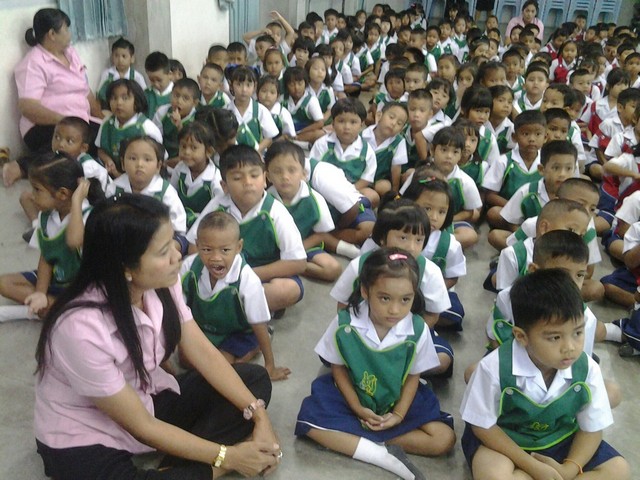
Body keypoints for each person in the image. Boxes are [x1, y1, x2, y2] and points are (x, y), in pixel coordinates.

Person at [33, 193, 282, 479]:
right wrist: (230, 457)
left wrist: (259, 416)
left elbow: (203, 353)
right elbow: (143, 427)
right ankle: (198, 469)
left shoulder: (163, 281)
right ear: (126, 268)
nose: (178, 255)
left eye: (173, 242)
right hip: (86, 434)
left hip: (144, 399)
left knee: (254, 381)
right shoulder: (79, 328)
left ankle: (183, 469)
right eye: (163, 252)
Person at [296, 248, 455, 480]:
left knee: (443, 439)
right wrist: (357, 408)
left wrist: (398, 415)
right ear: (365, 291)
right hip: (352, 395)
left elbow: (413, 376)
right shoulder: (345, 324)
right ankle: (380, 455)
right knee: (308, 423)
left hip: (396, 398)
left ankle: (358, 438)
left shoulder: (418, 329)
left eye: (405, 299)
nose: (395, 309)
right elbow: (338, 368)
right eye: (384, 298)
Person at [461, 269, 630, 480]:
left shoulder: (587, 369)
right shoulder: (494, 368)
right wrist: (532, 466)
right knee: (494, 475)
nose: (570, 347)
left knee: (619, 469)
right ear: (521, 336)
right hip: (506, 441)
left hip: (559, 438)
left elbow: (592, 428)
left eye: (577, 333)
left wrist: (569, 469)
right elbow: (482, 426)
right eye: (555, 337)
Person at [187, 145, 307, 313]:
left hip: (260, 276)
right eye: (237, 178)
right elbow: (194, 244)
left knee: (287, 289)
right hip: (220, 273)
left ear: (264, 179)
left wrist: (245, 275)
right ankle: (244, 313)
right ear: (224, 185)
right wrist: (213, 271)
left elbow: (298, 262)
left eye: (254, 175)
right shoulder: (218, 205)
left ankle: (225, 311)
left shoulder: (276, 212)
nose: (248, 182)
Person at [181, 211, 290, 381]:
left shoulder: (247, 280)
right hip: (203, 328)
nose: (215, 258)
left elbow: (258, 324)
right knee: (186, 361)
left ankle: (252, 348)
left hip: (237, 333)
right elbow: (178, 308)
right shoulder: (189, 266)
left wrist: (270, 366)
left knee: (219, 366)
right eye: (207, 249)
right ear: (197, 245)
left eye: (225, 250)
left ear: (238, 247)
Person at [0, 153, 103, 322]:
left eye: (37, 190)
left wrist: (77, 201)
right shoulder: (46, 216)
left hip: (84, 288)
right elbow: (46, 257)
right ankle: (45, 307)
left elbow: (73, 241)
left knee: (84, 315)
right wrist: (40, 293)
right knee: (4, 283)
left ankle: (42, 311)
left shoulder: (89, 216)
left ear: (62, 194)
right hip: (58, 279)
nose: (32, 195)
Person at [7, 8, 102, 187]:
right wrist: (65, 121)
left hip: (78, 120)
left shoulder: (70, 53)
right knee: (76, 148)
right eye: (66, 29)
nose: (70, 34)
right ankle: (22, 166)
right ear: (52, 34)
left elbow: (85, 89)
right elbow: (28, 107)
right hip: (42, 126)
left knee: (106, 137)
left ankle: (42, 161)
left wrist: (102, 118)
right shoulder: (33, 63)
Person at [265, 141, 343, 282]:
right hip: (274, 250)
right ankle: (283, 267)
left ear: (304, 174)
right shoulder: (265, 199)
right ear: (268, 176)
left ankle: (289, 267)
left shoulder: (315, 200)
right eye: (277, 171)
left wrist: (296, 254)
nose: (285, 176)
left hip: (305, 246)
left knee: (332, 269)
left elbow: (321, 234)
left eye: (292, 170)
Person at [105, 136, 187, 254]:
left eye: (147, 159)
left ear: (158, 166)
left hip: (157, 244)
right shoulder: (114, 189)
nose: (139, 164)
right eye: (133, 158)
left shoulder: (165, 192)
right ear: (123, 163)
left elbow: (178, 229)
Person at [310, 98, 379, 207]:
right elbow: (312, 170)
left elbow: (366, 179)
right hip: (324, 191)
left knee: (372, 196)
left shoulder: (367, 151)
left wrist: (347, 192)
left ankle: (351, 215)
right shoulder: (322, 144)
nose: (347, 127)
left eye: (353, 122)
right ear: (333, 123)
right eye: (341, 121)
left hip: (351, 192)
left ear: (361, 124)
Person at [484, 110, 546, 230]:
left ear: (545, 137)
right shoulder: (504, 161)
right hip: (509, 210)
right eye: (525, 134)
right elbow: (490, 196)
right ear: (514, 137)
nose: (532, 139)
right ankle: (520, 233)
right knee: (494, 213)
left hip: (538, 211)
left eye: (538, 134)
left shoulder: (546, 162)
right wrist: (516, 208)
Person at [96, 79, 162, 177]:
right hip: (110, 174)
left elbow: (158, 160)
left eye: (125, 98)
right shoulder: (106, 123)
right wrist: (108, 161)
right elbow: (100, 150)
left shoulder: (147, 128)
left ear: (137, 101)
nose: (118, 103)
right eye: (114, 98)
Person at [169, 121, 224, 229]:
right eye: (183, 146)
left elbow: (219, 209)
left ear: (209, 151)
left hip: (205, 226)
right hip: (179, 222)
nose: (187, 152)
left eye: (194, 148)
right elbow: (171, 195)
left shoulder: (215, 178)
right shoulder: (179, 169)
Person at [227, 66, 278, 153]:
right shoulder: (226, 110)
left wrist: (257, 150)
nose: (244, 90)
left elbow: (269, 138)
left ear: (255, 87)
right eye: (239, 84)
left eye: (248, 85)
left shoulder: (261, 110)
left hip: (256, 155)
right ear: (231, 86)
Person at [362, 102, 409, 195]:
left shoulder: (398, 142)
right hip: (359, 178)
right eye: (391, 117)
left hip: (378, 180)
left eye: (399, 123)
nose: (394, 123)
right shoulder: (362, 136)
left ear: (402, 129)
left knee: (385, 187)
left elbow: (396, 170)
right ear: (379, 116)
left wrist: (395, 193)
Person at [153, 78, 200, 165]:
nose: (179, 101)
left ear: (195, 103)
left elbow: (192, 145)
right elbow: (155, 138)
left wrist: (179, 126)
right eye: (176, 95)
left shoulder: (197, 118)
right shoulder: (163, 111)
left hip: (185, 158)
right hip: (163, 155)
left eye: (185, 98)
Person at [96, 37, 147, 108]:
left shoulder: (137, 77)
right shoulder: (107, 74)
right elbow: (100, 96)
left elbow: (144, 96)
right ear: (112, 57)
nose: (120, 60)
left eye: (124, 56)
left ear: (132, 59)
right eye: (116, 56)